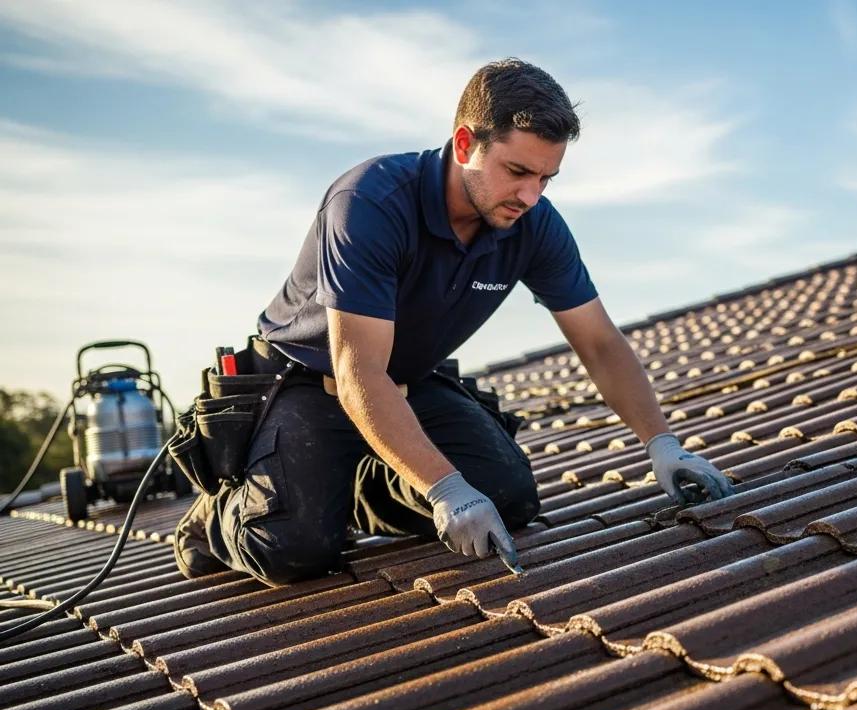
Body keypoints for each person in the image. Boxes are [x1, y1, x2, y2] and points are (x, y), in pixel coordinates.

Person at [173, 58, 734, 586]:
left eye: (546, 179)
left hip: (410, 382)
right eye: (517, 171)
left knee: (510, 500)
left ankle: (359, 484)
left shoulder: (533, 224)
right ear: (466, 142)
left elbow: (599, 342)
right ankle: (217, 517)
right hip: (310, 385)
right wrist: (446, 489)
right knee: (293, 547)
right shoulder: (369, 202)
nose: (531, 196)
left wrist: (662, 443)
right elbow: (358, 371)